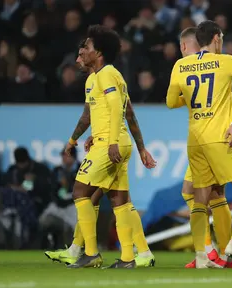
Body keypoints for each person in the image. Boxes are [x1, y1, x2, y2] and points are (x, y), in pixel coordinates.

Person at [166, 20, 232, 269]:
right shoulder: (226, 61)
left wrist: (193, 99)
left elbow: (171, 102)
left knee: (201, 198)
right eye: (221, 37)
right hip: (219, 139)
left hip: (195, 140)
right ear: (216, 38)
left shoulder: (181, 65)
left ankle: (203, 255)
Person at [45, 40, 156, 268]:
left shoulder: (105, 75)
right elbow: (124, 114)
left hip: (110, 144)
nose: (78, 59)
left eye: (82, 52)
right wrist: (139, 147)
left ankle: (90, 252)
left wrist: (110, 140)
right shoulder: (98, 78)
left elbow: (118, 109)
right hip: (112, 140)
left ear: (98, 53)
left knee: (81, 192)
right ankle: (129, 256)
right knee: (119, 200)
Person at [179, 27, 232, 269]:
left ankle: (217, 252)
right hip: (214, 137)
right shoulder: (216, 64)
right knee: (208, 194)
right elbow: (230, 97)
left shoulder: (185, 67)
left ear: (184, 47)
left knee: (208, 194)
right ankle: (217, 252)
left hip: (207, 139)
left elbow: (171, 100)